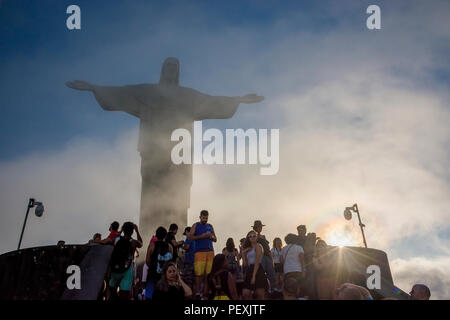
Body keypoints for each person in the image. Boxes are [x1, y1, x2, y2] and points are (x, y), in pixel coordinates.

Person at [108, 222, 143, 300]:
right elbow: (141, 243)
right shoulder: (134, 242)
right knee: (124, 295)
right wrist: (137, 231)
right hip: (127, 271)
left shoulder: (116, 239)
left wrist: (121, 230)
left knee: (111, 291)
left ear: (123, 230)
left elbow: (106, 241)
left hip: (115, 269)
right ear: (132, 231)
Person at [188, 210, 217, 299]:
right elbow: (190, 237)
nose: (205, 219)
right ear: (200, 217)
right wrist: (202, 236)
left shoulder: (210, 226)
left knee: (208, 274)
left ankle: (206, 293)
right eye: (204, 218)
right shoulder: (195, 225)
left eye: (206, 218)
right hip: (199, 252)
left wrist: (211, 237)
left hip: (210, 251)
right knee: (199, 274)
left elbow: (215, 239)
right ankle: (197, 293)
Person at [145, 226, 173, 299]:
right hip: (164, 275)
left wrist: (152, 267)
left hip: (152, 274)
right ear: (165, 235)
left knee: (149, 295)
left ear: (156, 235)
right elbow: (170, 262)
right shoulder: (169, 247)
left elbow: (147, 261)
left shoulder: (152, 245)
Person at [251, 220, 277, 294]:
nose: (261, 228)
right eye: (259, 227)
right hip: (260, 256)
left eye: (261, 227)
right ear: (256, 227)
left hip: (266, 255)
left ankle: (272, 289)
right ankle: (263, 289)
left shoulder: (263, 236)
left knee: (271, 273)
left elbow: (267, 247)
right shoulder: (253, 236)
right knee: (261, 273)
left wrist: (271, 257)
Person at [242, 230, 268, 300]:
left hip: (258, 269)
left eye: (254, 236)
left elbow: (257, 261)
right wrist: (243, 253)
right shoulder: (248, 249)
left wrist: (253, 276)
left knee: (259, 294)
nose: (252, 237)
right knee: (246, 293)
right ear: (248, 238)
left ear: (257, 237)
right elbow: (245, 264)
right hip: (250, 269)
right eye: (250, 236)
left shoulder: (258, 246)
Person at [280, 233, 306, 298]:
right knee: (298, 288)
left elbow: (281, 261)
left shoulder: (284, 249)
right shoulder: (299, 248)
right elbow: (302, 260)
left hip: (287, 271)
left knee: (289, 289)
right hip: (298, 270)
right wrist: (304, 272)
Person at [181, 227, 195, 293]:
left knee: (187, 280)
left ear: (187, 231)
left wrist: (182, 245)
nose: (186, 234)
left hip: (189, 262)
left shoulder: (189, 237)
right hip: (195, 261)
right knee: (193, 280)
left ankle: (188, 294)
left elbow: (187, 247)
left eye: (185, 233)